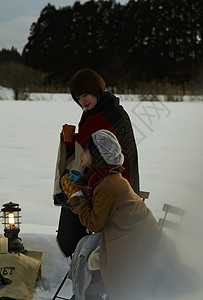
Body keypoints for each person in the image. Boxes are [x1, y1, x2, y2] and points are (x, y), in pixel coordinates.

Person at [63, 130, 191, 300]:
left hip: (133, 239)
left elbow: (95, 224)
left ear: (97, 155)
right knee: (87, 250)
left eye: (85, 150)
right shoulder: (107, 177)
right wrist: (79, 190)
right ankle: (89, 294)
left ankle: (89, 295)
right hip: (137, 232)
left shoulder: (107, 184)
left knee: (88, 256)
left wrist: (76, 199)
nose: (82, 154)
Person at [53, 68, 140, 257]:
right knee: (72, 198)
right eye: (78, 98)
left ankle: (86, 257)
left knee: (76, 201)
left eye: (85, 95)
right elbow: (91, 142)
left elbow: (122, 154)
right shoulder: (91, 112)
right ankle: (79, 255)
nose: (82, 101)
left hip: (113, 183)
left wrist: (121, 187)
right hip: (95, 178)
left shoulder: (114, 115)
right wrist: (71, 142)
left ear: (97, 89)